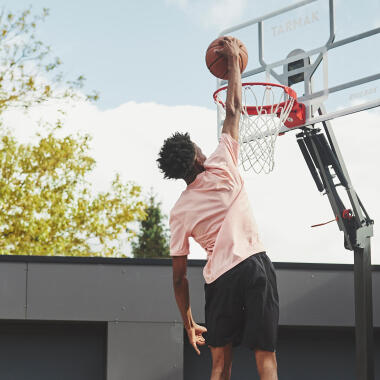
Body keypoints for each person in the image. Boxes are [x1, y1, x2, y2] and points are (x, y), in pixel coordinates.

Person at [157, 36, 279, 380]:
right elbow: (234, 108)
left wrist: (189, 321)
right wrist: (232, 70)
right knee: (265, 357)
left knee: (220, 364)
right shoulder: (222, 162)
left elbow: (179, 276)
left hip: (220, 279)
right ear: (198, 157)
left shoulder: (179, 212)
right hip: (253, 265)